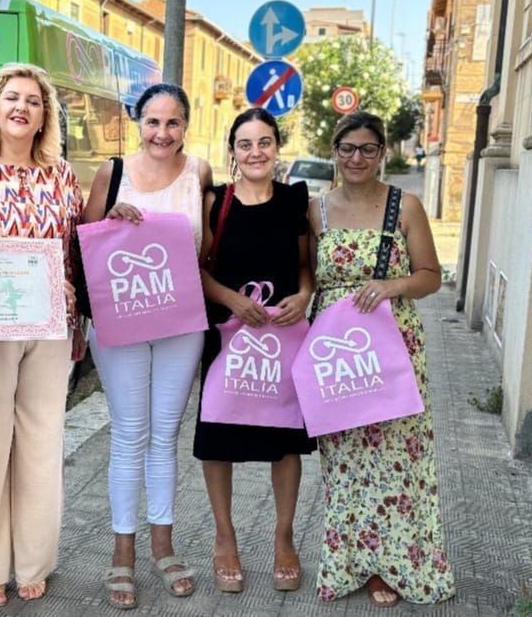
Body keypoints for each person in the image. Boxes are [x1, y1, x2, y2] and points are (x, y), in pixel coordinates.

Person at [307, 111, 455, 607]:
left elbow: (430, 275)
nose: (357, 158)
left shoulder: (404, 205)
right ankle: (351, 563)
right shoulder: (315, 211)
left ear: (382, 153)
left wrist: (392, 286)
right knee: (345, 459)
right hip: (336, 352)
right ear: (335, 151)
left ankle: (391, 565)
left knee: (396, 458)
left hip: (393, 345)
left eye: (367, 149)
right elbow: (307, 278)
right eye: (347, 148)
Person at [0, 62, 83, 608]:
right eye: (12, 98)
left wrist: (73, 295)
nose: (21, 107)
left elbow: (75, 247)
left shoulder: (63, 175)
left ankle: (33, 562)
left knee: (41, 442)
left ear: (45, 115)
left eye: (32, 100)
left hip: (51, 325)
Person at [81, 83, 211, 609]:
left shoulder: (200, 172)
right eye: (153, 122)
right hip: (122, 318)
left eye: (173, 122)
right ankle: (122, 553)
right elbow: (83, 239)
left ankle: (163, 546)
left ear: (185, 126)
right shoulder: (112, 173)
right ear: (139, 123)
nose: (162, 132)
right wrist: (110, 221)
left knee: (165, 434)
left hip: (181, 320)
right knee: (129, 433)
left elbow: (207, 247)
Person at [195, 108, 315, 595]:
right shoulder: (215, 202)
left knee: (284, 440)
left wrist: (304, 295)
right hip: (228, 335)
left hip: (282, 337)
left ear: (277, 147)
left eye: (264, 142)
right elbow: (197, 268)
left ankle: (284, 538)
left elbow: (306, 265)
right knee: (218, 435)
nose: (255, 152)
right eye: (245, 144)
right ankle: (224, 540)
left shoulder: (295, 201)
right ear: (233, 151)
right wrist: (230, 299)